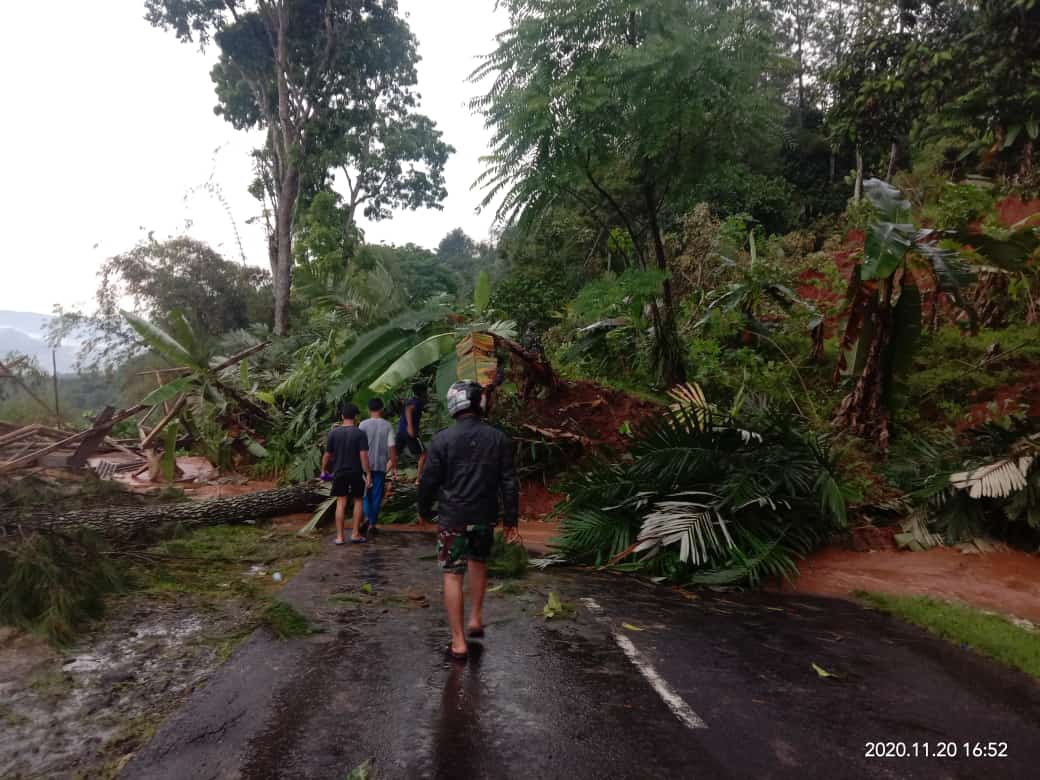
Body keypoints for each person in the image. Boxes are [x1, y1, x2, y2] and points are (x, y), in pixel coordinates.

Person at [418, 381, 520, 661]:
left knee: (452, 574)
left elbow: (428, 480)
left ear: (455, 404)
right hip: (484, 517)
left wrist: (424, 510)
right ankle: (475, 618)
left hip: (453, 517)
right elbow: (509, 482)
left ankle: (459, 640)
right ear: (480, 404)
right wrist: (511, 520)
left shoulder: (442, 440)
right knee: (478, 562)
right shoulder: (498, 439)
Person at [320, 403, 372, 545]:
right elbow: (363, 456)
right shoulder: (360, 433)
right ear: (356, 417)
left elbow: (327, 455)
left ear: (342, 416)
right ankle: (355, 534)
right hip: (356, 471)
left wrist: (323, 470)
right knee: (358, 500)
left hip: (339, 471)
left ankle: (340, 537)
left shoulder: (333, 433)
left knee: (341, 502)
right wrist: (368, 473)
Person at [359, 397, 397, 537]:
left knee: (365, 495)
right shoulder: (387, 425)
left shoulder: (362, 425)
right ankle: (372, 523)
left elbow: (359, 447)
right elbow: (391, 447)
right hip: (381, 465)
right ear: (382, 409)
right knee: (376, 495)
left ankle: (368, 520)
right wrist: (393, 464)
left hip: (364, 465)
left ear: (369, 409)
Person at [396, 382, 429, 480]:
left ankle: (384, 474)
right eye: (427, 391)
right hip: (409, 432)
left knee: (396, 455)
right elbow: (408, 409)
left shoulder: (412, 400)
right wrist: (410, 426)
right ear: (423, 392)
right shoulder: (417, 402)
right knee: (424, 454)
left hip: (401, 431)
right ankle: (419, 478)